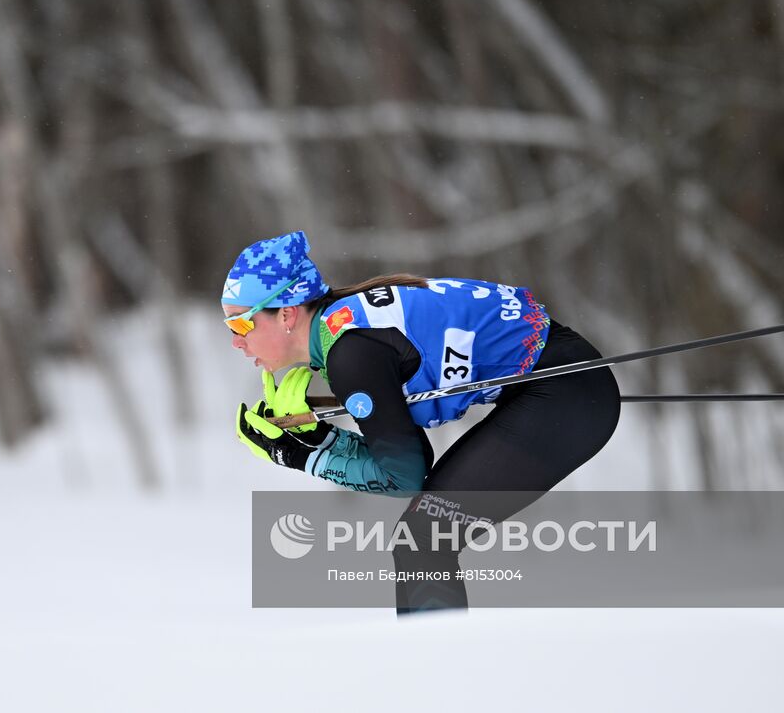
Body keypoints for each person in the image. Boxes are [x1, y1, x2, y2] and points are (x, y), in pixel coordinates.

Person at [225, 230, 621, 614]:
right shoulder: (343, 330)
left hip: (565, 393)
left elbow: (405, 474)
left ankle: (434, 671)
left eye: (241, 325)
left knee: (424, 539)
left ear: (287, 314)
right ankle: (432, 665)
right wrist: (319, 439)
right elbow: (406, 452)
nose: (235, 341)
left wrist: (302, 456)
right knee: (422, 538)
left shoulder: (350, 352)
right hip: (563, 382)